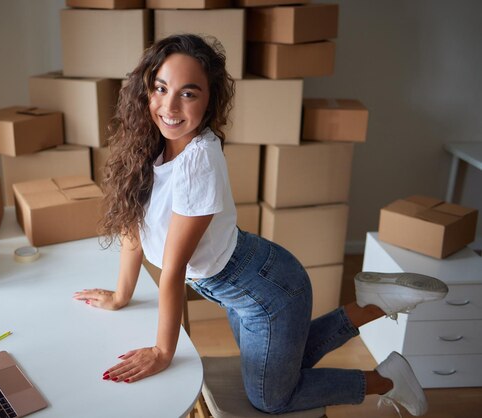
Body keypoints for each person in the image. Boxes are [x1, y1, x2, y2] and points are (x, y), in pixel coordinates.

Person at [73, 34, 448, 416]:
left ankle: (387, 380)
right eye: (160, 88)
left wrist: (162, 352)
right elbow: (132, 226)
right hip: (244, 284)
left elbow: (173, 270)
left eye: (188, 93)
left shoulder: (198, 161)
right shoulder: (149, 142)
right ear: (146, 89)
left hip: (267, 292)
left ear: (210, 100)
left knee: (271, 397)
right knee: (287, 361)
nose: (169, 106)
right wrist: (122, 294)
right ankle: (372, 303)